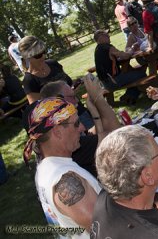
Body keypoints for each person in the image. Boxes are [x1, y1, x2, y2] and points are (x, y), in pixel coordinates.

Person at [25, 97, 101, 237]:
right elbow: (105, 228)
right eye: (76, 123)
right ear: (57, 131)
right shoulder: (64, 179)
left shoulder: (44, 168)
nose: (82, 128)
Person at [24, 74, 121, 177]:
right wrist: (98, 98)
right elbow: (116, 136)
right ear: (57, 101)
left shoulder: (49, 142)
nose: (77, 101)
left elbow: (96, 136)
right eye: (72, 97)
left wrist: (95, 114)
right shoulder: (70, 144)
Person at [93, 30, 146, 104]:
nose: (109, 36)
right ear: (101, 37)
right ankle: (130, 95)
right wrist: (132, 48)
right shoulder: (107, 47)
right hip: (112, 82)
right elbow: (125, 56)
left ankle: (129, 96)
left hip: (105, 83)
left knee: (130, 73)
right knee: (141, 74)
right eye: (106, 35)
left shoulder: (98, 49)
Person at [18, 36, 73, 104]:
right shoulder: (29, 81)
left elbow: (69, 83)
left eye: (44, 52)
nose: (44, 56)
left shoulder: (53, 63)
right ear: (27, 57)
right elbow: (37, 108)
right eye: (38, 55)